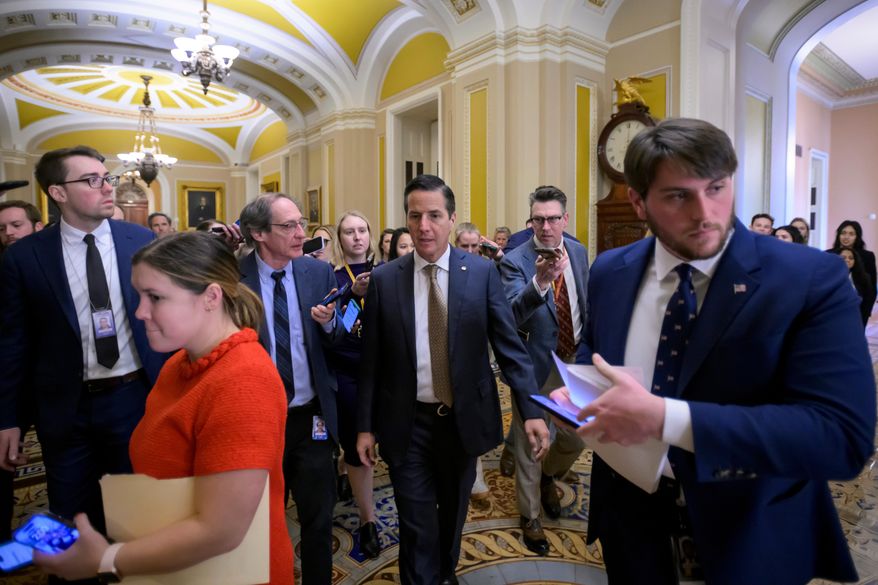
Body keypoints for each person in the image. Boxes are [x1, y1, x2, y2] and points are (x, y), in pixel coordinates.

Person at [558, 118, 875, 584]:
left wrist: (666, 418)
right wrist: (577, 387)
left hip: (749, 529)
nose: (706, 212)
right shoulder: (610, 270)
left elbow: (841, 438)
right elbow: (595, 346)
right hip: (630, 520)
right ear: (638, 201)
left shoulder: (810, 278)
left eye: (717, 187)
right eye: (678, 196)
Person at [35, 232, 293, 584]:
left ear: (211, 297)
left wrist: (107, 559)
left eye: (155, 297)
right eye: (139, 296)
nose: (139, 311)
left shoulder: (243, 380)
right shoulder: (178, 364)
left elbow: (222, 531)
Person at [357, 174, 550, 585]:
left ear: (452, 218)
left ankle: (443, 574)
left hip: (462, 423)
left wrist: (531, 410)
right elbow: (370, 361)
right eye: (415, 216)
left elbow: (509, 346)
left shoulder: (480, 274)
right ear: (406, 220)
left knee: (452, 515)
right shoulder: (387, 281)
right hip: (405, 424)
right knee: (415, 523)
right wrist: (364, 427)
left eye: (434, 215)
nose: (423, 225)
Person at [0, 146, 168, 566]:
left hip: (134, 398)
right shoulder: (25, 256)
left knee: (135, 516)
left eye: (106, 176)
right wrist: (9, 418)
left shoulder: (140, 241)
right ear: (58, 192)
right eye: (91, 180)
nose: (107, 186)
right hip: (64, 407)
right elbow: (13, 343)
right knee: (70, 519)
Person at [239, 193, 344, 585]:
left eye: (300, 223)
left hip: (311, 415)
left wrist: (329, 325)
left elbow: (334, 343)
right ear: (258, 233)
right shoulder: (233, 279)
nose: (302, 233)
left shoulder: (316, 274)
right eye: (289, 226)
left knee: (319, 516)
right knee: (263, 519)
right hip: (257, 423)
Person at [499, 185, 588, 555]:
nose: (546, 227)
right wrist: (540, 282)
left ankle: (550, 476)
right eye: (539, 219)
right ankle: (531, 515)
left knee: (575, 438)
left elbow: (585, 298)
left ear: (565, 219)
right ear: (531, 221)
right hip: (535, 365)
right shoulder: (515, 261)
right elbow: (510, 314)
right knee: (531, 443)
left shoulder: (580, 252)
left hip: (575, 361)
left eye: (553, 219)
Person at [328, 210, 381, 557]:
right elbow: (337, 332)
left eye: (363, 230)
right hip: (348, 371)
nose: (357, 237)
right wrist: (351, 296)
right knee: (358, 447)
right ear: (340, 239)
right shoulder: (330, 277)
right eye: (349, 232)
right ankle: (368, 519)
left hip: (385, 370)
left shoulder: (388, 273)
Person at [0, 198, 42, 541]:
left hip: (42, 381)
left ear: (36, 227)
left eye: (16, 225)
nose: (9, 234)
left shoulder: (51, 267)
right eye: (3, 228)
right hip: (11, 378)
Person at [829, 220, 877, 300]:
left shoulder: (868, 256)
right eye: (843, 233)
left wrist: (865, 311)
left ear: (857, 237)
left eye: (851, 234)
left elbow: (871, 288)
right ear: (838, 235)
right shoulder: (828, 254)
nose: (846, 237)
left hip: (859, 305)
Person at [834, 247, 877, 327]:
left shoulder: (864, 278)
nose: (847, 260)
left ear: (855, 261)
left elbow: (868, 300)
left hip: (856, 318)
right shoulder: (829, 277)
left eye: (851, 258)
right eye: (843, 257)